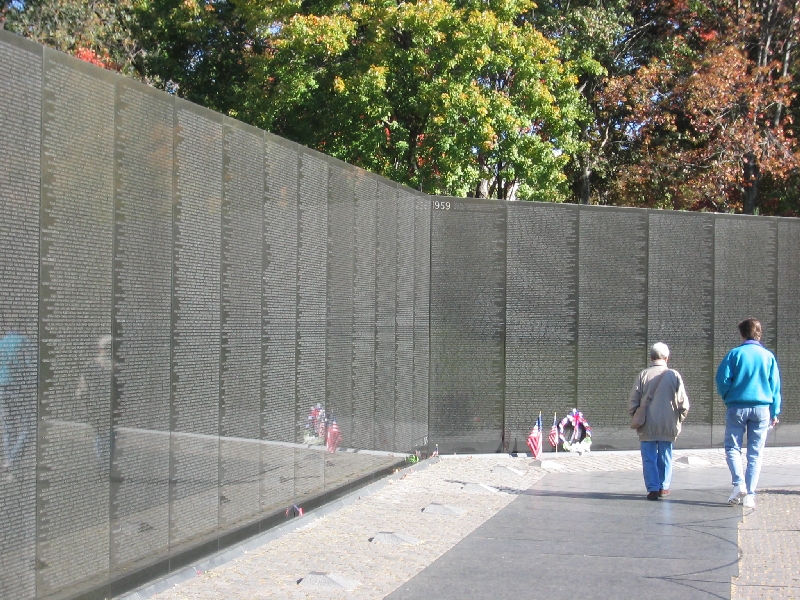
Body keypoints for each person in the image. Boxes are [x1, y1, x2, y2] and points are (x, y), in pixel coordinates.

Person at [716, 318, 781, 509]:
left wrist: (728, 395)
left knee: (732, 447)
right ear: (759, 334)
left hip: (737, 406)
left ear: (742, 334)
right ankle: (750, 494)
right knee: (755, 453)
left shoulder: (734, 354)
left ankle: (738, 484)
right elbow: (775, 386)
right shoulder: (768, 356)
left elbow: (722, 379)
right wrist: (775, 411)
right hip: (762, 408)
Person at [628, 342, 690, 500]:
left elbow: (633, 402)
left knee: (648, 456)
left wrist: (637, 416)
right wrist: (678, 420)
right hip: (667, 423)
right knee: (666, 455)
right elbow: (684, 404)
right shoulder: (674, 375)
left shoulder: (643, 375)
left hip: (647, 422)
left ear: (651, 357)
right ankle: (664, 487)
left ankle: (652, 488)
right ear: (667, 358)